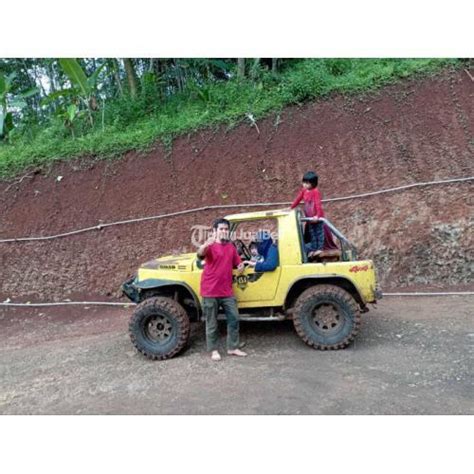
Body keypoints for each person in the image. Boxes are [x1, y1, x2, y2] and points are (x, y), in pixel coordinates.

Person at [197, 218, 247, 361]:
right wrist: (206, 244)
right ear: (215, 231)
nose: (224, 231)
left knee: (234, 318)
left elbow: (238, 263)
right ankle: (213, 350)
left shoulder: (231, 247)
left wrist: (241, 266)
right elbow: (200, 254)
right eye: (221, 229)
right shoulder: (210, 246)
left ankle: (233, 347)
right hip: (210, 291)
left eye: (226, 229)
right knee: (212, 323)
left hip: (226, 292)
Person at [289, 171, 325, 258]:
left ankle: (319, 248)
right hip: (310, 218)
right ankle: (313, 249)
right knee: (312, 234)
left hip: (317, 217)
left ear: (313, 184)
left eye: (307, 183)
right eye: (304, 182)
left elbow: (317, 204)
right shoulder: (304, 191)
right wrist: (291, 207)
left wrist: (317, 215)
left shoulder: (315, 192)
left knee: (319, 233)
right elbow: (298, 199)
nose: (304, 185)